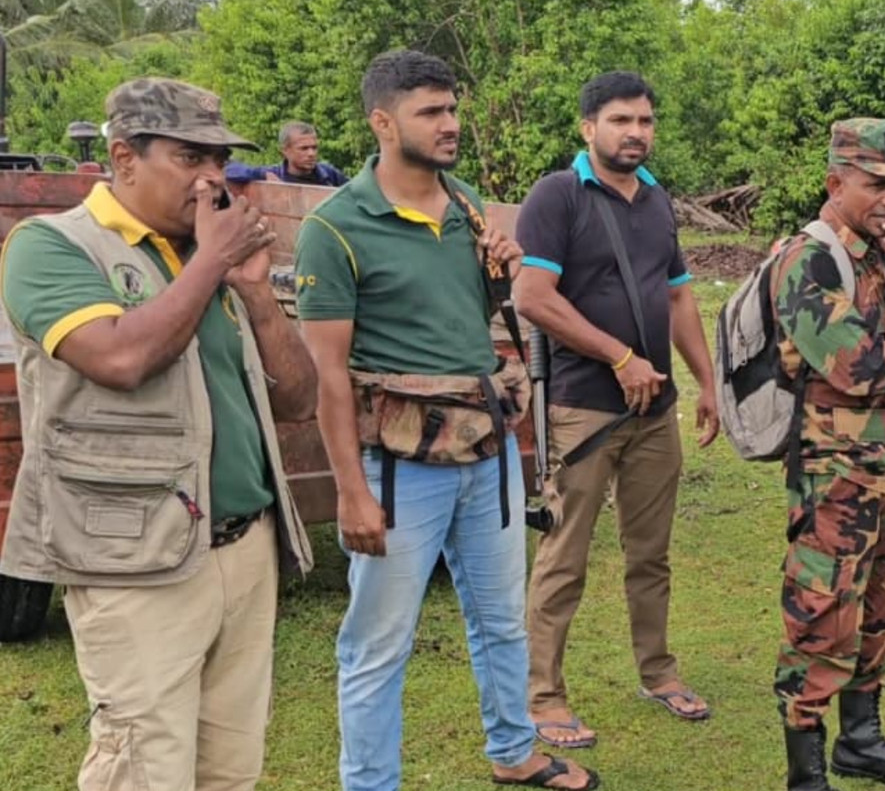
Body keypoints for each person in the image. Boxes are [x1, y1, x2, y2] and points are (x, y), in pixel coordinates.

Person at [0, 77, 316, 790]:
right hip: (133, 562)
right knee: (142, 767)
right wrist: (211, 263)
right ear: (124, 157)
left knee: (230, 769)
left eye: (219, 160)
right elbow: (122, 359)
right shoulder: (51, 246)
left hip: (246, 547)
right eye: (189, 158)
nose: (212, 180)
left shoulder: (210, 257)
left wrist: (256, 291)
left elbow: (298, 400)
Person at [295, 49, 599, 791]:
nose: (450, 123)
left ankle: (514, 752)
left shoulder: (465, 204)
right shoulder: (336, 228)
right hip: (400, 468)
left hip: (485, 448)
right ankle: (371, 783)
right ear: (382, 121)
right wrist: (351, 492)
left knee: (501, 619)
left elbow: (474, 322)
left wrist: (502, 266)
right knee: (378, 643)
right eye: (430, 111)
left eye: (452, 108)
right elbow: (328, 377)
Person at [513, 70, 719, 751]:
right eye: (621, 120)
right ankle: (544, 696)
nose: (636, 133)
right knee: (564, 557)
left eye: (645, 121)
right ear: (588, 128)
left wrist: (707, 383)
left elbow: (679, 296)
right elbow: (532, 297)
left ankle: (658, 673)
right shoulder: (557, 195)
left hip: (655, 410)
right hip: (583, 410)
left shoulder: (657, 201)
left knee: (650, 553)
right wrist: (619, 357)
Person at [773, 118, 885, 791]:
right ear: (835, 183)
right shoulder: (808, 260)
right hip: (836, 482)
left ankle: (862, 742)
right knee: (821, 617)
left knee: (884, 608)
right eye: (877, 185)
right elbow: (857, 366)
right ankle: (806, 771)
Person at [226, 120, 349, 186]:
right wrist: (262, 174)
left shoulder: (329, 174)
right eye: (304, 148)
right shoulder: (275, 174)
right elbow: (228, 169)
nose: (311, 153)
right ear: (285, 151)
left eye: (314, 148)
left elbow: (355, 191)